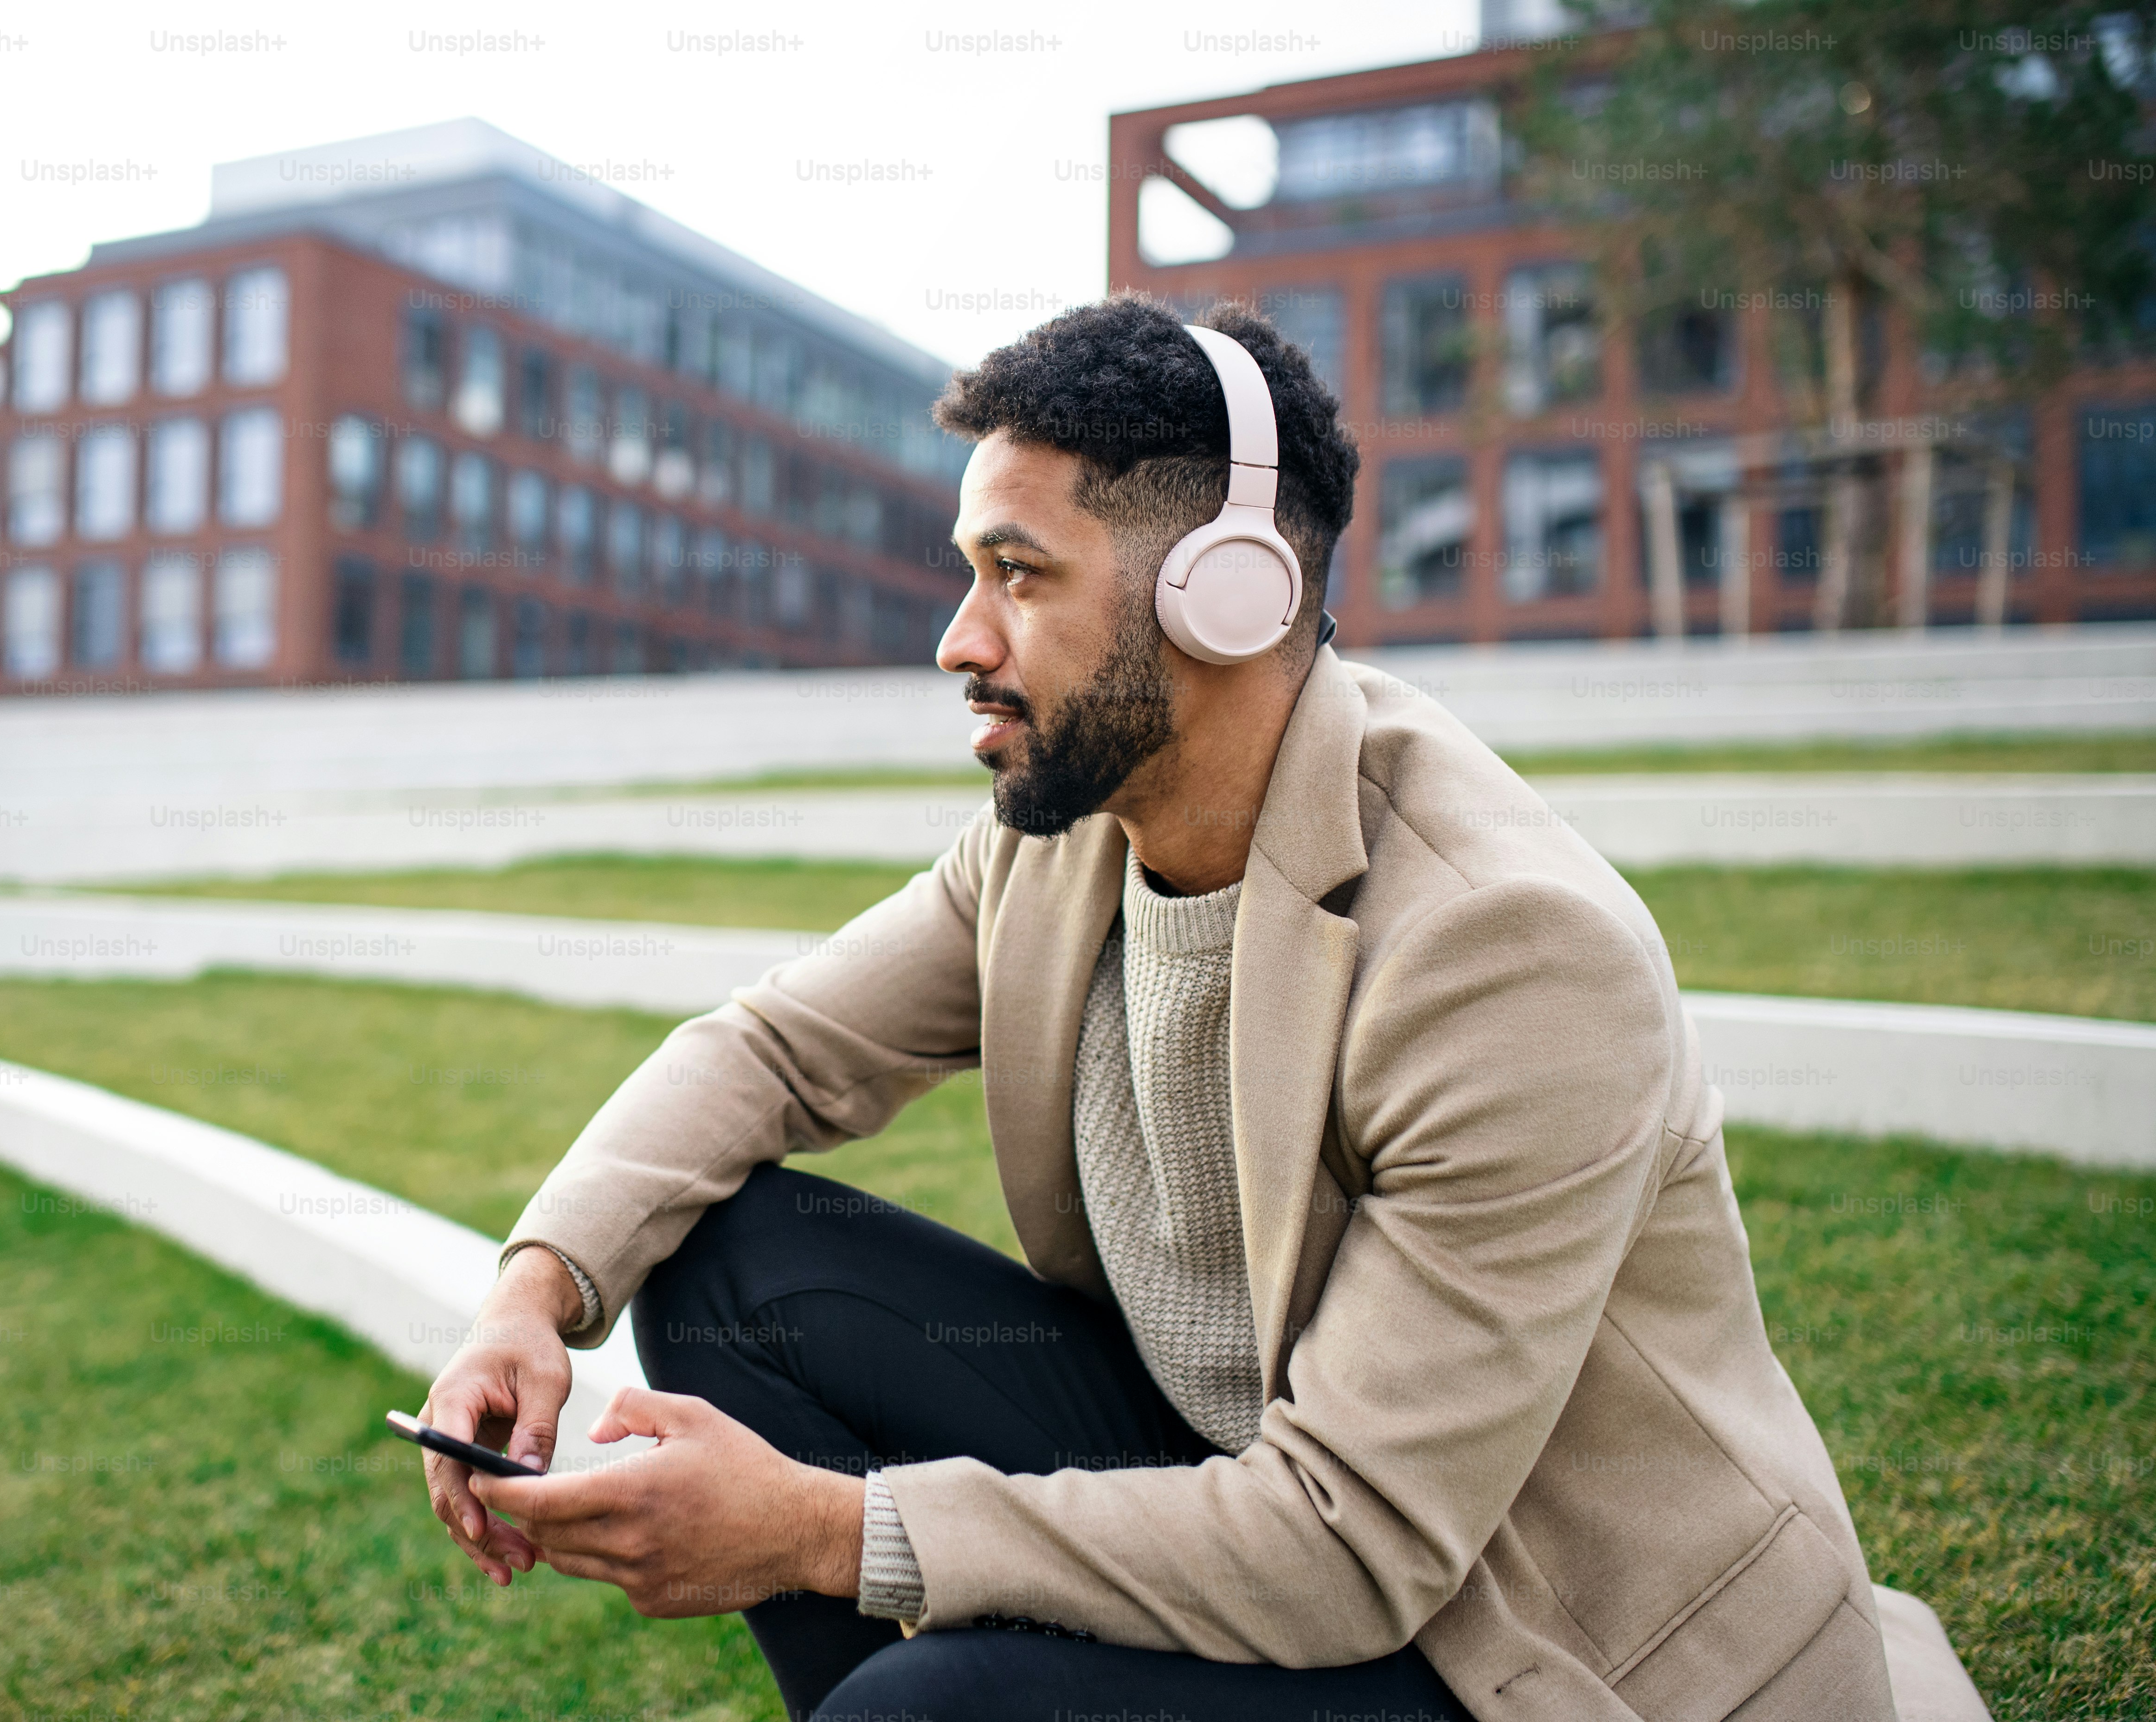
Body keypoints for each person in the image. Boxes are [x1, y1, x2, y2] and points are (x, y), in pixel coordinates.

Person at [417, 295, 1900, 1722]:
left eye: (1020, 573)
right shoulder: (1060, 833)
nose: (960, 640)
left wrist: (818, 1532)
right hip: (1228, 1463)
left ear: (1227, 594)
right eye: (967, 571)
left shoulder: (1509, 953)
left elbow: (1352, 1543)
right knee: (730, 1261)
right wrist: (529, 1295)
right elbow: (774, 1050)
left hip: (1523, 1639)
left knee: (940, 1707)